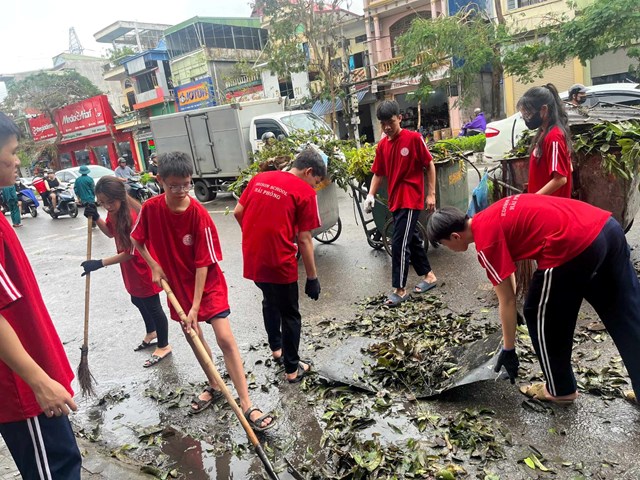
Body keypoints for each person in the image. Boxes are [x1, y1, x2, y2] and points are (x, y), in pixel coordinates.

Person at [427, 194, 640, 404]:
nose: (450, 250)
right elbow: (506, 274)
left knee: (538, 314)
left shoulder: (486, 244)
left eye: (445, 244)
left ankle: (560, 389)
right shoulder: (492, 213)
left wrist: (508, 349)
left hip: (573, 244)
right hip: (606, 228)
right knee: (625, 312)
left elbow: (508, 301)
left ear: (455, 236)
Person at [130, 151, 275, 430]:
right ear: (160, 181)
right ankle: (215, 384)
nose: (182, 191)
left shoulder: (198, 215)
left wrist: (195, 307)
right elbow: (137, 240)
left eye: (186, 184)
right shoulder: (150, 208)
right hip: (176, 287)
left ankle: (247, 404)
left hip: (206, 285)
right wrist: (154, 266)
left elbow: (203, 264)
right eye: (174, 186)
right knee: (194, 338)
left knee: (225, 339)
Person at [0, 112, 81, 478]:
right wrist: (37, 381)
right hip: (22, 387)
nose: (18, 161)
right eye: (13, 152)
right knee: (56, 471)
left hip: (32, 376)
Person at [233, 148, 325, 382]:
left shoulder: (260, 178)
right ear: (309, 171)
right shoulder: (305, 193)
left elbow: (238, 212)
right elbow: (304, 239)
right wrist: (312, 278)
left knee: (269, 301)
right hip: (279, 262)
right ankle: (292, 370)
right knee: (291, 314)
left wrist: (255, 236)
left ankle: (277, 349)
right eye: (316, 182)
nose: (314, 187)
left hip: (253, 258)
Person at [80, 176, 172, 367]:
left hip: (143, 265)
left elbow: (129, 253)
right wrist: (96, 217)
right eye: (102, 203)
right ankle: (151, 332)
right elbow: (110, 232)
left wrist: (99, 263)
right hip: (130, 268)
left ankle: (164, 345)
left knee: (152, 305)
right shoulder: (115, 212)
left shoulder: (131, 216)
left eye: (110, 202)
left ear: (120, 196)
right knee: (136, 299)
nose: (107, 206)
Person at [364, 100, 437, 306]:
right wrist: (370, 195)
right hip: (395, 200)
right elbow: (378, 173)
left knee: (399, 243)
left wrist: (431, 194)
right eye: (383, 123)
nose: (387, 127)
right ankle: (429, 276)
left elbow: (429, 164)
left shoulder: (413, 139)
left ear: (399, 118)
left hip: (411, 198)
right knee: (411, 238)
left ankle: (400, 289)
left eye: (391, 122)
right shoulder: (382, 145)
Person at [517, 84, 573, 198]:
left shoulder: (554, 137)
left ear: (544, 109)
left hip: (550, 207)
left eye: (528, 114)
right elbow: (569, 167)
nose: (527, 119)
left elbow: (561, 179)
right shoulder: (543, 133)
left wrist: (534, 198)